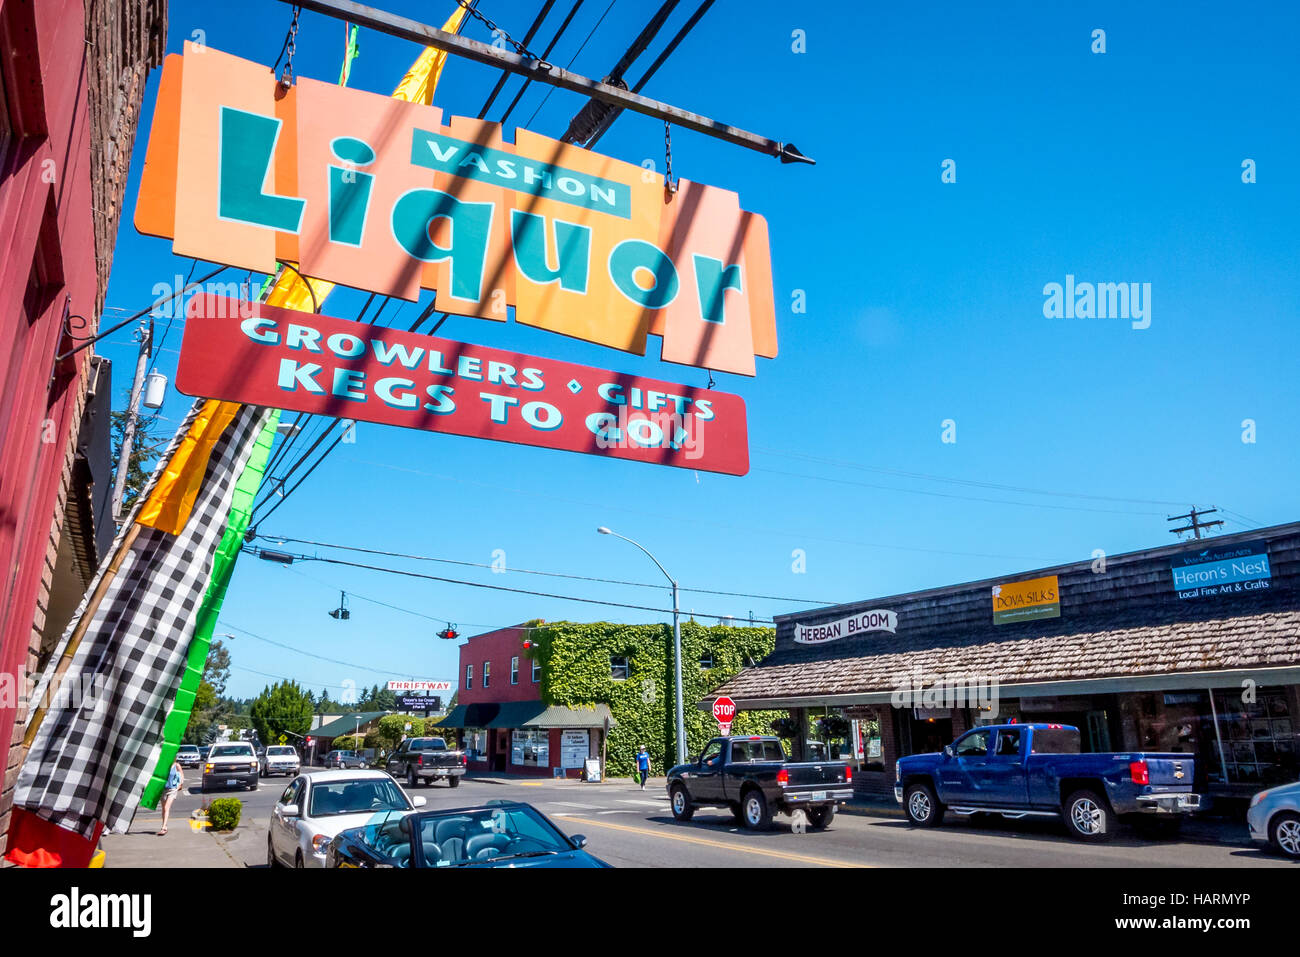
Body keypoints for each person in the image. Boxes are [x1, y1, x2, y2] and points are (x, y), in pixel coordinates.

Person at [159, 759, 183, 836]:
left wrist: (180, 784)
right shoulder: (163, 765)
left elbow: (181, 775)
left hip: (172, 789)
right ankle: (165, 825)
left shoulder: (176, 765)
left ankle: (163, 828)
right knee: (163, 809)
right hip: (163, 789)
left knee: (166, 807)